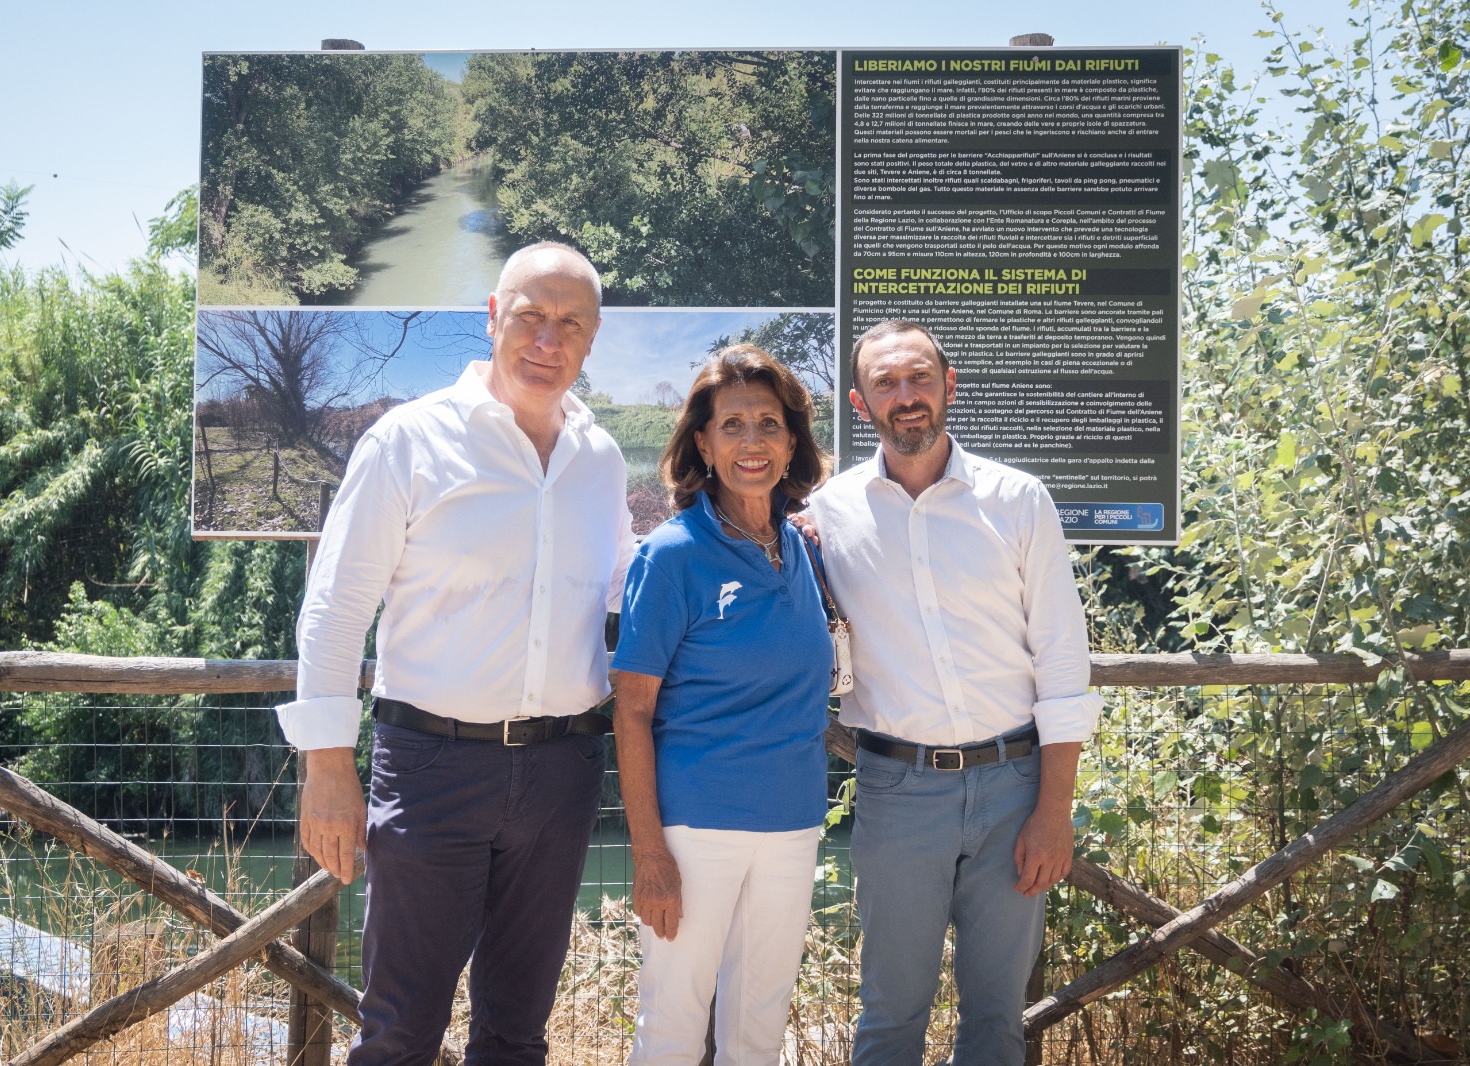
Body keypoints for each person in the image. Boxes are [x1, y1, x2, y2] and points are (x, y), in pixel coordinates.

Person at [275, 242, 636, 1066]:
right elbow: (335, 609)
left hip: (563, 771)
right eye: (531, 317)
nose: (548, 341)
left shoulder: (601, 458)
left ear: (592, 338)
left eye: (570, 323)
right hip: (432, 765)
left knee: (516, 1033)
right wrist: (328, 765)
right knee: (401, 1029)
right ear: (492, 316)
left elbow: (624, 590)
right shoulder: (407, 440)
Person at [807, 320, 1102, 1066]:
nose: (906, 397)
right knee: (889, 1014)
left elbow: (1063, 660)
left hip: (1016, 787)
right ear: (861, 402)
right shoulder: (828, 516)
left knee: (998, 1017)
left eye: (919, 379)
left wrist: (1053, 811)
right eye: (886, 384)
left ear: (950, 386)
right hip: (896, 787)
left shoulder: (1018, 500)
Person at [611, 344, 832, 1066]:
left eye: (768, 423)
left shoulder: (801, 549)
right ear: (701, 443)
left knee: (758, 1030)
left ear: (791, 440)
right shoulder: (671, 554)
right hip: (694, 831)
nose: (752, 442)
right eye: (731, 425)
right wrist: (650, 855)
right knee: (673, 1025)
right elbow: (632, 711)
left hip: (794, 824)